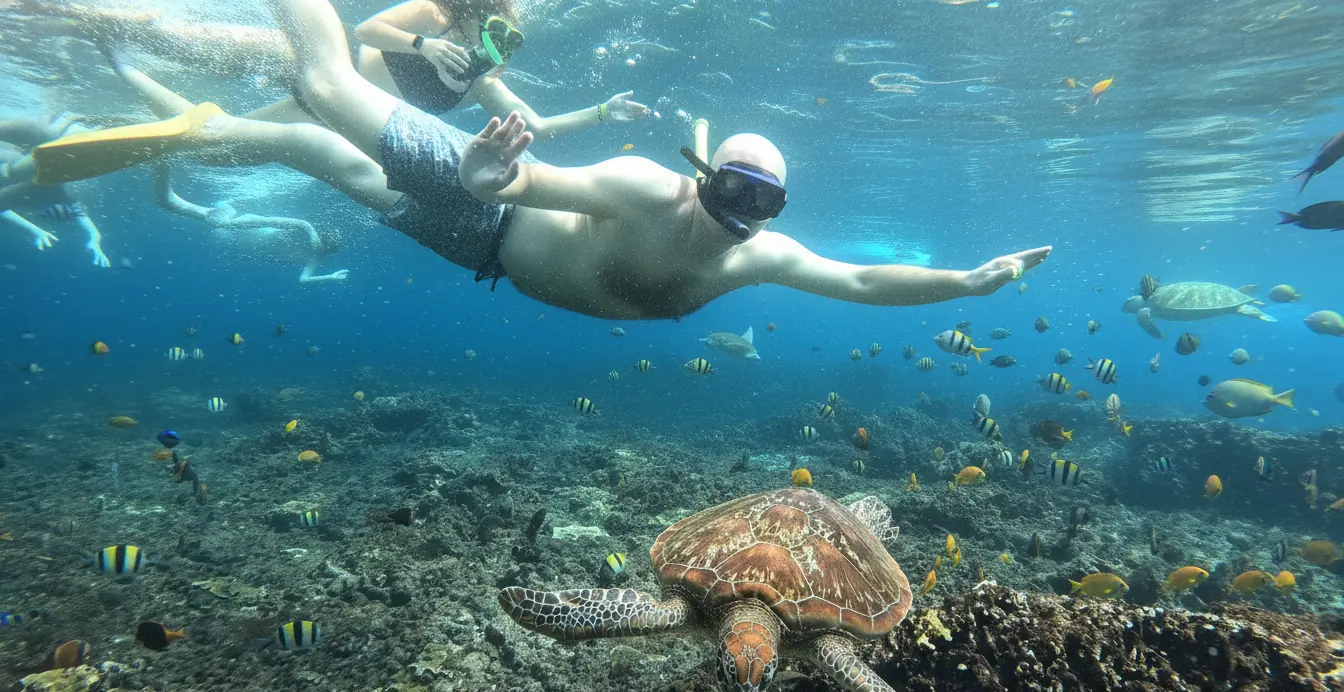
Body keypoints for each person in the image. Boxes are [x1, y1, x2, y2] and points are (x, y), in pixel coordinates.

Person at [19, 0, 1051, 320]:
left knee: (312, 153)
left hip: (477, 251)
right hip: (493, 211)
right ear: (702, 179)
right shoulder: (649, 190)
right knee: (331, 96)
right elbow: (538, 180)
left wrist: (966, 282)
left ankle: (193, 126)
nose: (744, 214)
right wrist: (485, 174)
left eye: (765, 202)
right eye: (734, 188)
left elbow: (864, 275)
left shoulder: (759, 259)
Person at [16, 0, 651, 137]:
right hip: (316, 62)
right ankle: (74, 11)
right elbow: (365, 28)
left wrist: (602, 111)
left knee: (219, 138)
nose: (499, 46)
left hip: (323, 107)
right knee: (184, 40)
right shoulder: (435, 18)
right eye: (494, 30)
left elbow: (534, 125)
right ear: (472, 16)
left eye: (510, 40)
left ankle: (110, 92)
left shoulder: (481, 79)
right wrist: (425, 48)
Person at [152, 164, 350, 284]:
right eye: (327, 240)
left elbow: (303, 279)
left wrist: (330, 277)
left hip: (235, 242)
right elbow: (266, 221)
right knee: (216, 216)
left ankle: (225, 208)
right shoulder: (302, 230)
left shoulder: (314, 255)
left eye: (330, 245)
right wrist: (229, 224)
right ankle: (226, 206)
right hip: (241, 226)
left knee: (210, 227)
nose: (325, 245)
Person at [0, 114, 110, 267]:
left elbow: (2, 207)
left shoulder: (55, 195)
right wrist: (36, 230)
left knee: (38, 139)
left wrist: (94, 242)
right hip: (21, 155)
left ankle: (70, 130)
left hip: (24, 154)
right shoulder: (57, 195)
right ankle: (69, 131)